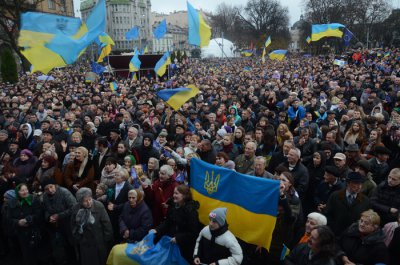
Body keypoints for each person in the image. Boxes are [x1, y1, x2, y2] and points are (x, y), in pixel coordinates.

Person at [152, 185, 201, 263]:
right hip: (172, 242)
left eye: (176, 193)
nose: (174, 195)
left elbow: (193, 232)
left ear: (184, 196)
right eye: (174, 193)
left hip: (184, 248)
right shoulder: (173, 206)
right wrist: (157, 230)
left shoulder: (191, 211)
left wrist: (178, 238)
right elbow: (168, 222)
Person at [70, 187, 113, 265]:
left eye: (90, 199)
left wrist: (107, 239)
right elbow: (73, 226)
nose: (89, 202)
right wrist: (79, 238)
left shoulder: (99, 206)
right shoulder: (75, 209)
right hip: (85, 243)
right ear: (80, 202)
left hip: (99, 241)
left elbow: (106, 223)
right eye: (85, 201)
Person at [41, 178, 77, 265]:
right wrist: (49, 217)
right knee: (62, 244)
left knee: (72, 243)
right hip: (56, 224)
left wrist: (59, 215)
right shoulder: (45, 196)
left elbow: (74, 207)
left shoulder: (64, 192)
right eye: (47, 189)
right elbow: (45, 210)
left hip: (69, 222)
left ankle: (75, 260)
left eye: (51, 187)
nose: (50, 190)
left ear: (55, 185)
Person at [6, 183, 43, 265]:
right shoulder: (11, 202)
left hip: (34, 229)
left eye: (26, 189)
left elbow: (39, 214)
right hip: (20, 232)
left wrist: (28, 219)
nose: (25, 192)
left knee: (37, 251)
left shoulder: (33, 199)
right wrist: (18, 222)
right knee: (26, 252)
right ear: (17, 192)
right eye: (22, 190)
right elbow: (8, 218)